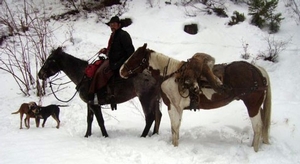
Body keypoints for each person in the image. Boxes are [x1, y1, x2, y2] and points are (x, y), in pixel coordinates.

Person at [88, 16, 135, 104]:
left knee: (99, 72)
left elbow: (130, 51)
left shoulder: (123, 35)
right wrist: (105, 50)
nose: (112, 26)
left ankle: (98, 95)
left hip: (119, 61)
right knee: (95, 66)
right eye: (110, 25)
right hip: (112, 59)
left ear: (119, 25)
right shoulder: (114, 35)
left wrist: (122, 62)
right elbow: (113, 49)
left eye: (114, 24)